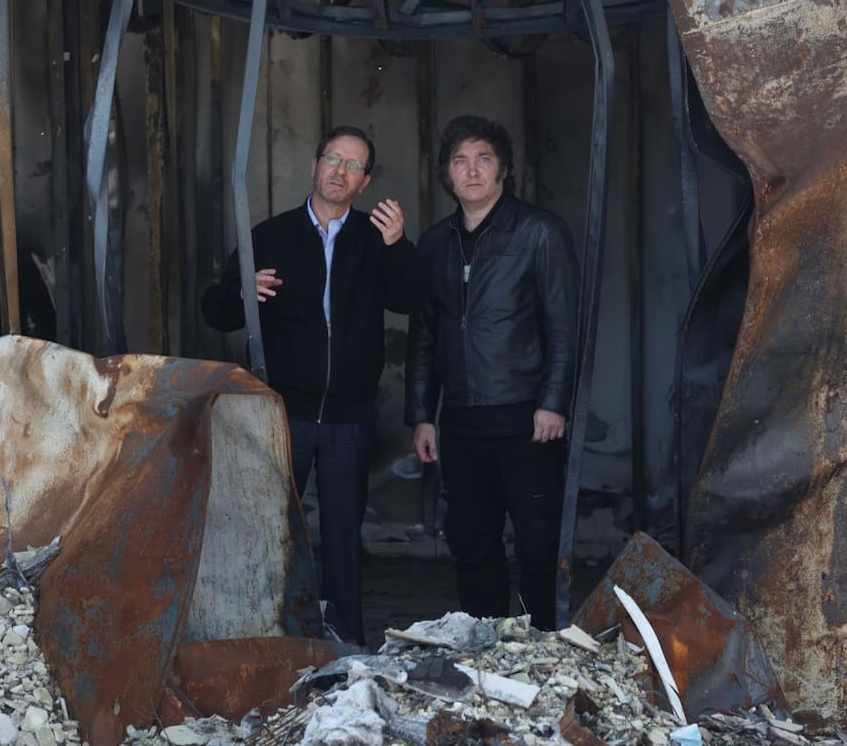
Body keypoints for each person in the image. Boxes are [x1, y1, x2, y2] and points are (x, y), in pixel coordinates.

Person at [202, 125, 422, 645]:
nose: (339, 171)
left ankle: (346, 639)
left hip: (349, 416)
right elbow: (215, 310)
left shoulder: (376, 238)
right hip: (285, 412)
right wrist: (240, 294)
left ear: (364, 181)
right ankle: (274, 634)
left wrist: (397, 246)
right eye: (332, 159)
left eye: (353, 165)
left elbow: (413, 299)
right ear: (314, 166)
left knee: (345, 534)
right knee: (275, 529)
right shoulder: (271, 236)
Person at [405, 114, 579, 631]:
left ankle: (542, 647)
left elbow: (565, 326)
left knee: (537, 540)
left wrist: (554, 401)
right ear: (447, 175)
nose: (472, 171)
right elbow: (425, 336)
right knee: (471, 542)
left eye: (483, 159)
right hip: (460, 420)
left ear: (503, 168)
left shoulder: (538, 232)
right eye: (460, 161)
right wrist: (421, 414)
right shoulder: (436, 244)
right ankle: (486, 649)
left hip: (527, 416)